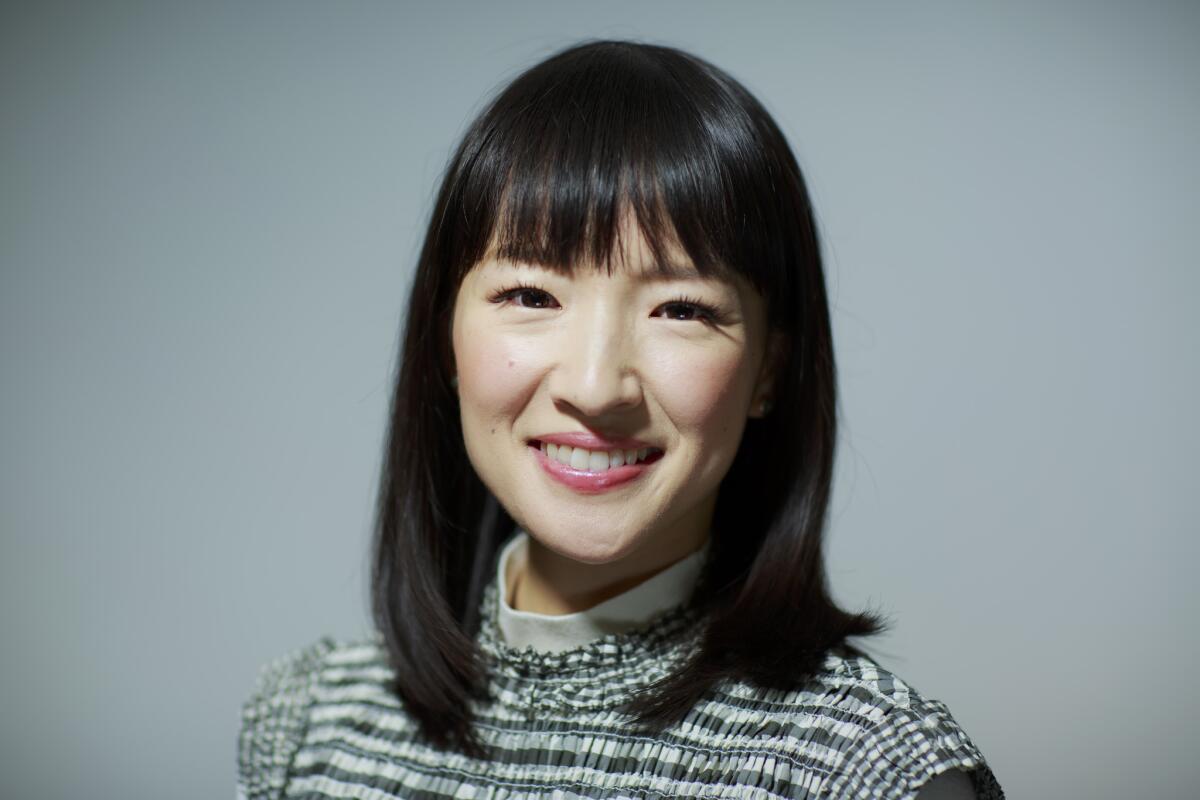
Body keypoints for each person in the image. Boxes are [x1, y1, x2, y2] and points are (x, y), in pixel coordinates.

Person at [237, 39, 1003, 800]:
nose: (598, 386)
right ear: (446, 339)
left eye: (681, 309)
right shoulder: (309, 726)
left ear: (768, 370)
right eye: (532, 296)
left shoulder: (867, 769)